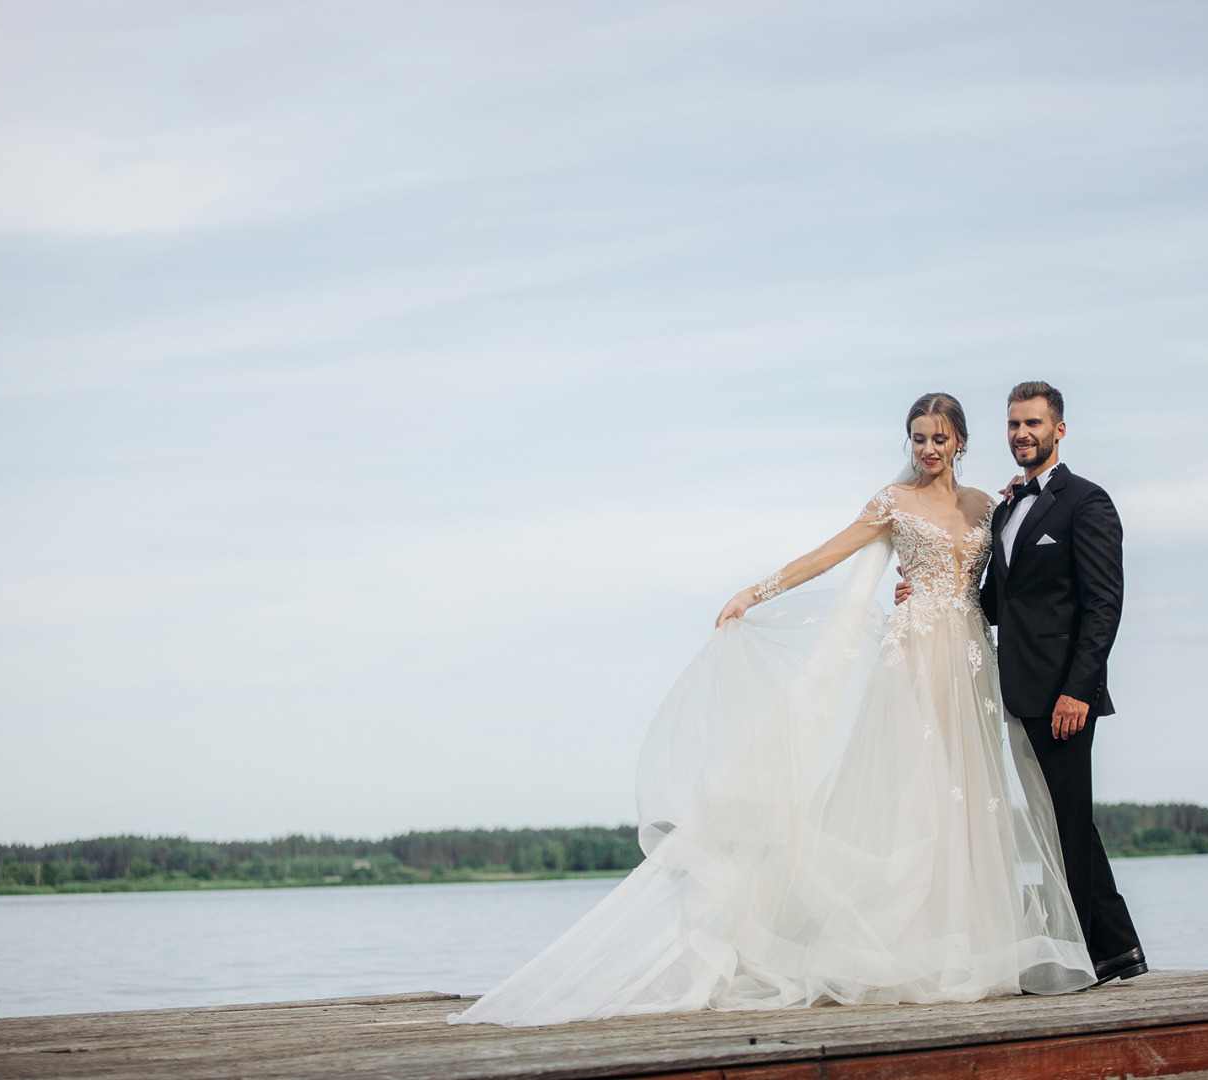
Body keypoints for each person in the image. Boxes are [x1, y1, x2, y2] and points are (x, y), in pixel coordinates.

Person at [452, 393, 1094, 1028]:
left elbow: (1007, 584)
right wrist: (753, 594)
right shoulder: (892, 503)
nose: (928, 450)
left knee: (971, 799)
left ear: (960, 440)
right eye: (918, 439)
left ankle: (974, 948)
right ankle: (907, 949)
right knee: (918, 792)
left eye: (939, 438)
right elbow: (826, 555)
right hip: (917, 658)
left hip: (975, 664)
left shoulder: (991, 504)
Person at [900, 381, 1144, 986]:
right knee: (1062, 820)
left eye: (1033, 424)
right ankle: (1118, 952)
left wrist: (1079, 690)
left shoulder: (1087, 503)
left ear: (1058, 429)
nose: (1021, 434)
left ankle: (1087, 957)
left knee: (1065, 820)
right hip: (1012, 689)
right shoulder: (1007, 509)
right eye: (1013, 425)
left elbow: (1104, 606)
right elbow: (990, 602)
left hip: (1064, 695)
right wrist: (922, 594)